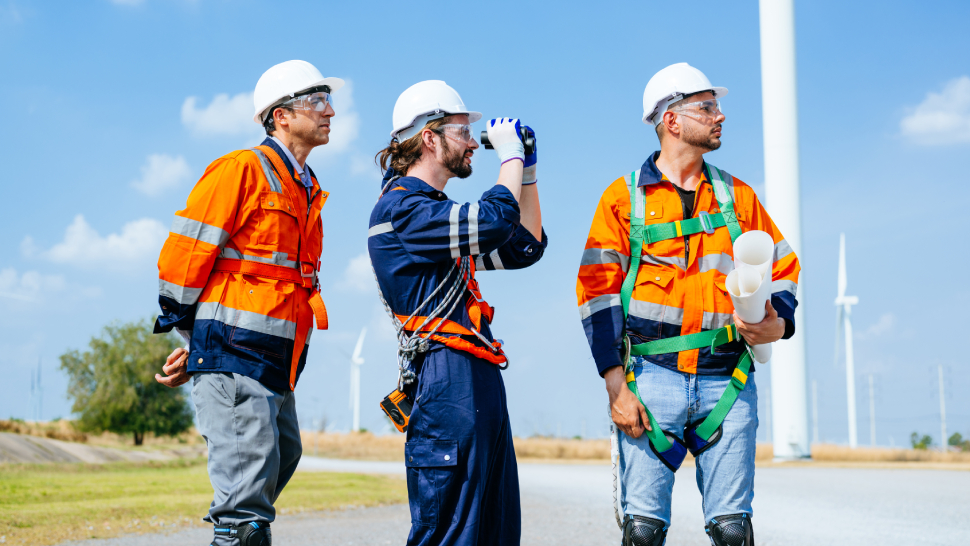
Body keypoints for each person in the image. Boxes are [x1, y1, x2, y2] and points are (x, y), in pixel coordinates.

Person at [576, 63, 801, 546]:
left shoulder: (737, 196)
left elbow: (782, 264)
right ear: (671, 121)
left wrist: (779, 323)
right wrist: (616, 386)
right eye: (707, 107)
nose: (720, 116)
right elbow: (596, 290)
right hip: (650, 380)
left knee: (733, 531)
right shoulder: (623, 199)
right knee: (643, 532)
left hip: (729, 379)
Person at [153, 59, 342, 546]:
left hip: (275, 362)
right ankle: (236, 529)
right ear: (281, 115)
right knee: (246, 514)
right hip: (237, 355)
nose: (330, 112)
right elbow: (183, 260)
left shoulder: (306, 190)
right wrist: (198, 343)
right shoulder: (241, 169)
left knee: (285, 453)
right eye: (318, 102)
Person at [369, 80, 547, 546]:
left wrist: (525, 171)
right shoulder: (402, 208)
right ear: (429, 137)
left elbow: (523, 246)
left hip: (476, 375)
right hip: (444, 377)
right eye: (462, 131)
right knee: (451, 533)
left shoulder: (440, 215)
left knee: (493, 530)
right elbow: (491, 222)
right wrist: (508, 157)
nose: (473, 143)